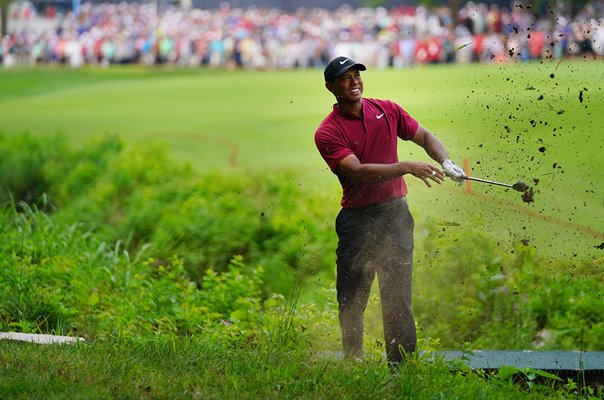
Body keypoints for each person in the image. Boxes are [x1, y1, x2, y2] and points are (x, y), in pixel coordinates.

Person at [314, 56, 466, 365]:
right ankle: (353, 362)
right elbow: (357, 171)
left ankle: (402, 371)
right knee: (352, 298)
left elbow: (423, 136)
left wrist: (444, 160)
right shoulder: (328, 131)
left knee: (398, 299)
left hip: (395, 217)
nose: (354, 81)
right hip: (357, 221)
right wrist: (407, 166)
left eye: (357, 75)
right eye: (345, 78)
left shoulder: (386, 109)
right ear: (331, 87)